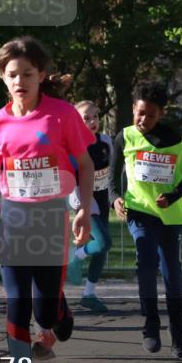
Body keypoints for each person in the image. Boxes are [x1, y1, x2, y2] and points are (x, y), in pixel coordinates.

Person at [0, 36, 94, 363]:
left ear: (40, 76)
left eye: (27, 73)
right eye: (12, 74)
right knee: (17, 309)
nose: (19, 81)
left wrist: (84, 210)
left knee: (45, 313)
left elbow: (85, 166)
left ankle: (60, 312)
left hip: (52, 222)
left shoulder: (62, 115)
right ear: (3, 78)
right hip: (14, 226)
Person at [109, 82, 182, 358]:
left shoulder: (175, 140)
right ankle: (150, 324)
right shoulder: (125, 137)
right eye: (140, 113)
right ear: (134, 109)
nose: (143, 120)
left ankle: (177, 330)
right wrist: (114, 198)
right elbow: (111, 174)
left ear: (161, 114)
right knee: (146, 262)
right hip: (139, 211)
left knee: (171, 272)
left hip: (170, 215)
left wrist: (172, 196)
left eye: (151, 115)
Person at [66, 101, 113, 313]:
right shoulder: (73, 146)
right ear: (76, 120)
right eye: (86, 118)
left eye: (95, 116)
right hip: (84, 200)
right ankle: (74, 257)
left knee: (101, 251)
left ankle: (89, 294)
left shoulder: (106, 142)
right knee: (103, 242)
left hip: (102, 200)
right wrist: (80, 204)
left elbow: (111, 172)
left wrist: (115, 198)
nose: (92, 121)